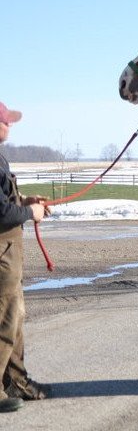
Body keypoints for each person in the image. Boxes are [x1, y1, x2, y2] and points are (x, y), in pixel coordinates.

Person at [0, 101, 51, 413]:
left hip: (8, 251)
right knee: (4, 322)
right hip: (1, 252)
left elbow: (4, 200)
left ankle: (16, 381)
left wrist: (25, 200)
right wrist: (28, 212)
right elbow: (0, 212)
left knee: (14, 317)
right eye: (7, 121)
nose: (11, 126)